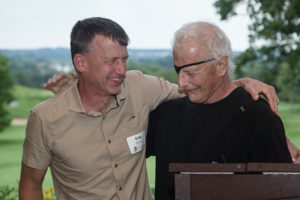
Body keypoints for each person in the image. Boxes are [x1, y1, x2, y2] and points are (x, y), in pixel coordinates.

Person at [19, 17, 280, 200]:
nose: (121, 71)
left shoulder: (140, 87)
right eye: (111, 61)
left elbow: (207, 89)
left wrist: (245, 87)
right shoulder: (45, 118)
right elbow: (30, 184)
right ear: (80, 62)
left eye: (124, 60)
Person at [146, 21, 292, 200]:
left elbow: (281, 192)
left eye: (191, 72)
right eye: (178, 70)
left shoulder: (258, 118)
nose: (181, 82)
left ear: (221, 65)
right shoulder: (165, 115)